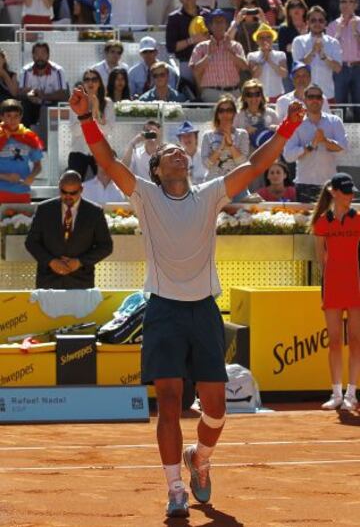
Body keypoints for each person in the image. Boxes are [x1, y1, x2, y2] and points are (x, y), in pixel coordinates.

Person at [69, 82, 304, 519]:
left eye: (182, 151)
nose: (179, 153)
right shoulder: (144, 194)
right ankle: (175, 489)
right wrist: (86, 117)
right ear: (157, 170)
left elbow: (255, 164)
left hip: (203, 311)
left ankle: (200, 458)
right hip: (162, 310)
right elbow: (105, 159)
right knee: (171, 402)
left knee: (215, 409)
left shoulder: (211, 192)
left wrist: (289, 125)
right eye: (170, 153)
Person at [311, 172, 360, 411]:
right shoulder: (322, 222)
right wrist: (330, 277)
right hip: (332, 287)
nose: (350, 196)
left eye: (352, 192)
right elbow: (320, 257)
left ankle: (352, 393)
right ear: (334, 192)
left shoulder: (359, 219)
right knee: (334, 341)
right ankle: (336, 393)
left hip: (356, 286)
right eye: (346, 192)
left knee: (355, 340)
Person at [25, 169, 113, 289]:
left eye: (73, 193)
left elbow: (106, 246)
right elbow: (31, 242)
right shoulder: (44, 209)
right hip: (48, 280)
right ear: (59, 187)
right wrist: (51, 262)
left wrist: (79, 262)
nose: (68, 196)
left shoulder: (94, 212)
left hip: (81, 281)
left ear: (81, 190)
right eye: (64, 192)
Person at [283, 83, 348, 203]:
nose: (315, 100)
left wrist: (324, 141)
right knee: (305, 222)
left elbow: (344, 150)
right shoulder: (295, 123)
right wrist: (310, 146)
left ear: (322, 100)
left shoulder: (335, 121)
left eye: (318, 97)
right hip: (304, 184)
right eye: (311, 97)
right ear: (304, 99)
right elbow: (288, 156)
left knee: (329, 221)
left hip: (329, 184)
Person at [189, 8, 248, 102]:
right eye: (216, 22)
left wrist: (230, 52)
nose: (219, 25)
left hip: (233, 92)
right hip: (211, 92)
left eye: (222, 22)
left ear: (226, 25)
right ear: (210, 26)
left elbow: (245, 67)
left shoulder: (236, 46)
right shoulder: (201, 47)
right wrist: (208, 55)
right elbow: (195, 71)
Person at [68, 69, 115, 181]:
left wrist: (96, 111)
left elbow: (107, 130)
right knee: (73, 184)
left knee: (104, 186)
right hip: (79, 151)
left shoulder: (108, 103)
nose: (90, 83)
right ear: (83, 84)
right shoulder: (76, 101)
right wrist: (89, 115)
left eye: (94, 79)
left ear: (99, 83)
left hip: (100, 152)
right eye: (87, 79)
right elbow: (75, 131)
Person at [201, 94, 251, 200]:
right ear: (217, 114)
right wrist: (221, 147)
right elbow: (206, 164)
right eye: (221, 110)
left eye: (229, 110)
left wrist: (230, 145)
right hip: (213, 186)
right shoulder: (208, 135)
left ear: (234, 113)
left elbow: (243, 163)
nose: (225, 114)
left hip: (237, 186)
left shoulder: (242, 134)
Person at [291, 6, 342, 103]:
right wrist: (313, 52)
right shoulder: (298, 41)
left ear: (325, 23)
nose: (317, 23)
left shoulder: (333, 42)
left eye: (320, 20)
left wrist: (323, 55)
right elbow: (298, 68)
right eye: (313, 20)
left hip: (326, 95)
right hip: (304, 95)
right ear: (308, 23)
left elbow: (338, 68)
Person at [18, 41, 69, 138]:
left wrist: (44, 96)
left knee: (59, 105)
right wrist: (29, 95)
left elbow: (64, 94)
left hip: (52, 103)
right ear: (32, 55)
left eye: (43, 53)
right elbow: (20, 92)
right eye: (37, 53)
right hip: (32, 103)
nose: (40, 57)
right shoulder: (25, 70)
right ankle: (24, 139)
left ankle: (56, 139)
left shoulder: (58, 70)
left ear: (48, 55)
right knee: (22, 105)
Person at [165, 0, 210, 90]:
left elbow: (215, 37)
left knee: (207, 94)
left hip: (207, 61)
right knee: (188, 94)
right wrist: (192, 40)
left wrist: (206, 40)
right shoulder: (174, 18)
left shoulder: (208, 14)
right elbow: (171, 47)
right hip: (186, 62)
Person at [0, 99, 43, 203]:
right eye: (8, 116)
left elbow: (38, 165)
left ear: (21, 117)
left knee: (22, 220)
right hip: (1, 192)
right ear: (1, 117)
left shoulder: (29, 136)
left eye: (16, 116)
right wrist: (6, 177)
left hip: (22, 192)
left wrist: (32, 176)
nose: (12, 119)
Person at [327, 0, 360, 122]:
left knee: (359, 104)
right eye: (343, 2)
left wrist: (355, 32)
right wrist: (338, 33)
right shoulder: (332, 25)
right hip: (340, 69)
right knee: (339, 105)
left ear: (356, 5)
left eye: (350, 1)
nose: (346, 5)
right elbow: (328, 49)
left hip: (358, 68)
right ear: (339, 5)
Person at [247, 22, 288, 102]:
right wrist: (263, 59)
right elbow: (254, 75)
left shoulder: (280, 55)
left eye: (268, 37)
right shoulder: (252, 56)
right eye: (261, 38)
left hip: (278, 96)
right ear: (257, 41)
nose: (265, 40)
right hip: (259, 97)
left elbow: (284, 74)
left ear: (272, 39)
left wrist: (270, 60)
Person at [278, 0, 308, 90]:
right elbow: (284, 50)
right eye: (292, 6)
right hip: (291, 70)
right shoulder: (284, 29)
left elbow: (291, 48)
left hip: (311, 70)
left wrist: (292, 47)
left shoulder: (312, 26)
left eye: (299, 5)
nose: (296, 8)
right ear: (288, 11)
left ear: (304, 10)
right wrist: (302, 38)